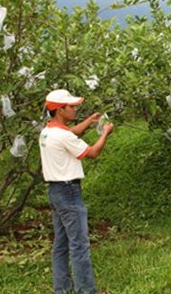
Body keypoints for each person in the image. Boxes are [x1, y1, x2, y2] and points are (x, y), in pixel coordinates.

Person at [39, 89, 114, 294]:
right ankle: (86, 290)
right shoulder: (62, 135)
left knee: (61, 244)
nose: (75, 109)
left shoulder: (47, 131)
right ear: (60, 110)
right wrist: (105, 132)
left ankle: (61, 288)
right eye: (71, 106)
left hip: (55, 191)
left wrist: (89, 121)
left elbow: (70, 134)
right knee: (79, 245)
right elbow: (93, 152)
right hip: (69, 192)